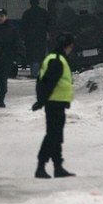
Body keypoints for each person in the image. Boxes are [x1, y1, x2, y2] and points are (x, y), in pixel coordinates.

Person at [31, 33, 76, 178]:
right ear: (68, 46)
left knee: (56, 136)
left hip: (57, 103)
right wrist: (41, 101)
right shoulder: (57, 60)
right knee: (53, 136)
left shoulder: (53, 58)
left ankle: (58, 167)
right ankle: (41, 166)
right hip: (54, 103)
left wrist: (41, 100)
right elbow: (48, 83)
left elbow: (41, 81)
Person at [0, 8, 21, 107]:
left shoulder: (12, 29)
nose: (0, 18)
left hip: (6, 59)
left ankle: (1, 99)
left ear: (6, 17)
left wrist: (16, 57)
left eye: (2, 16)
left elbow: (16, 44)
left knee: (3, 80)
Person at [21, 0, 50, 78]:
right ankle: (40, 71)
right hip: (41, 38)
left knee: (32, 56)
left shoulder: (27, 13)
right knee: (40, 55)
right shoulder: (44, 12)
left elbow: (23, 27)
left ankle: (34, 72)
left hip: (30, 39)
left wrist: (22, 38)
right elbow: (49, 25)